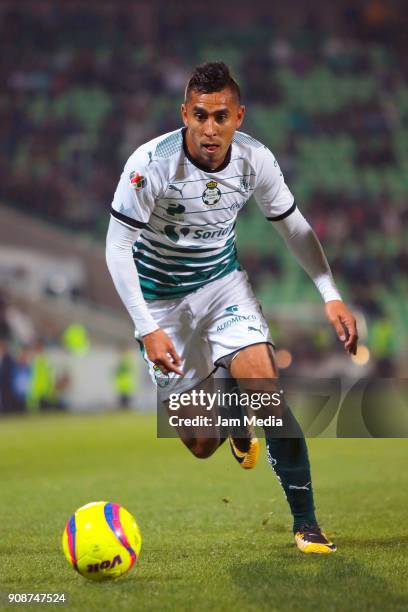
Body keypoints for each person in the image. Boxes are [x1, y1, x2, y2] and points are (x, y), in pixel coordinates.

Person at [106, 62, 358, 554]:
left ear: (239, 116)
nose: (209, 128)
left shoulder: (255, 160)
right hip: (159, 303)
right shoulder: (149, 165)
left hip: (222, 287)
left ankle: (306, 524)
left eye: (221, 116)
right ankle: (232, 408)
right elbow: (116, 248)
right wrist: (147, 328)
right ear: (184, 113)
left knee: (266, 389)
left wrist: (330, 294)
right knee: (202, 444)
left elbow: (294, 227)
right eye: (199, 115)